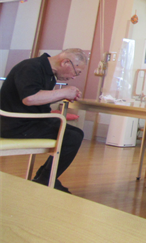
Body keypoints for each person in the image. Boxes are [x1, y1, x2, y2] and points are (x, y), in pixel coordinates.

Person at [0, 48, 87, 193]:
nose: (74, 77)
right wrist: (64, 92)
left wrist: (62, 95)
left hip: (27, 121)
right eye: (76, 72)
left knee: (72, 133)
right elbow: (30, 98)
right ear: (66, 62)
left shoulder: (47, 73)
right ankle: (46, 179)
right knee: (72, 136)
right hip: (13, 124)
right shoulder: (31, 67)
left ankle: (44, 177)